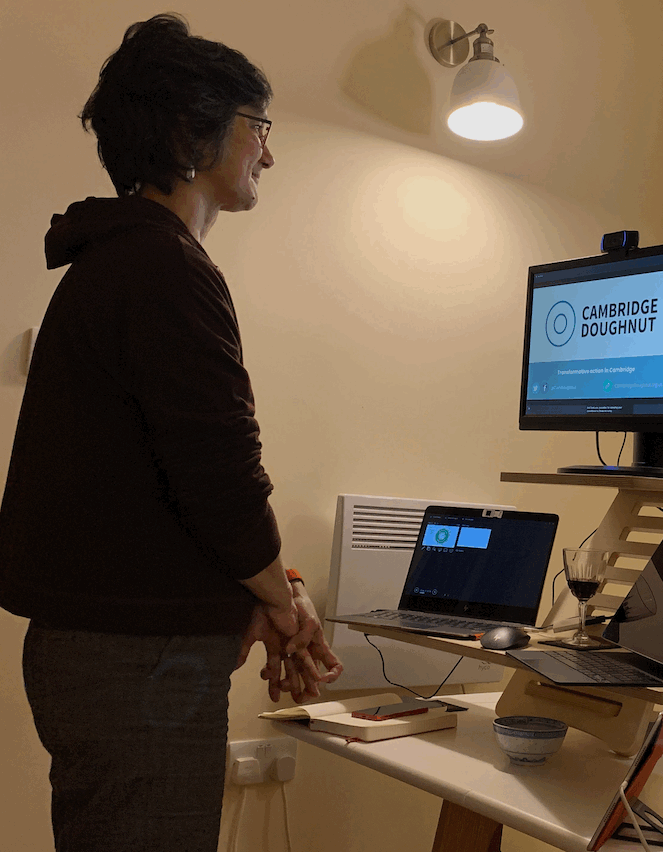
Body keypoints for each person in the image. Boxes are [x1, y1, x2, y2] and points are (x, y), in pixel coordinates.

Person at [0, 14, 341, 852]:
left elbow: (170, 492)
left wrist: (270, 593)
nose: (268, 152)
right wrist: (285, 605)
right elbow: (222, 476)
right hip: (135, 670)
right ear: (197, 133)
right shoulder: (161, 268)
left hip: (111, 662)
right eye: (259, 128)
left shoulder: (118, 261)